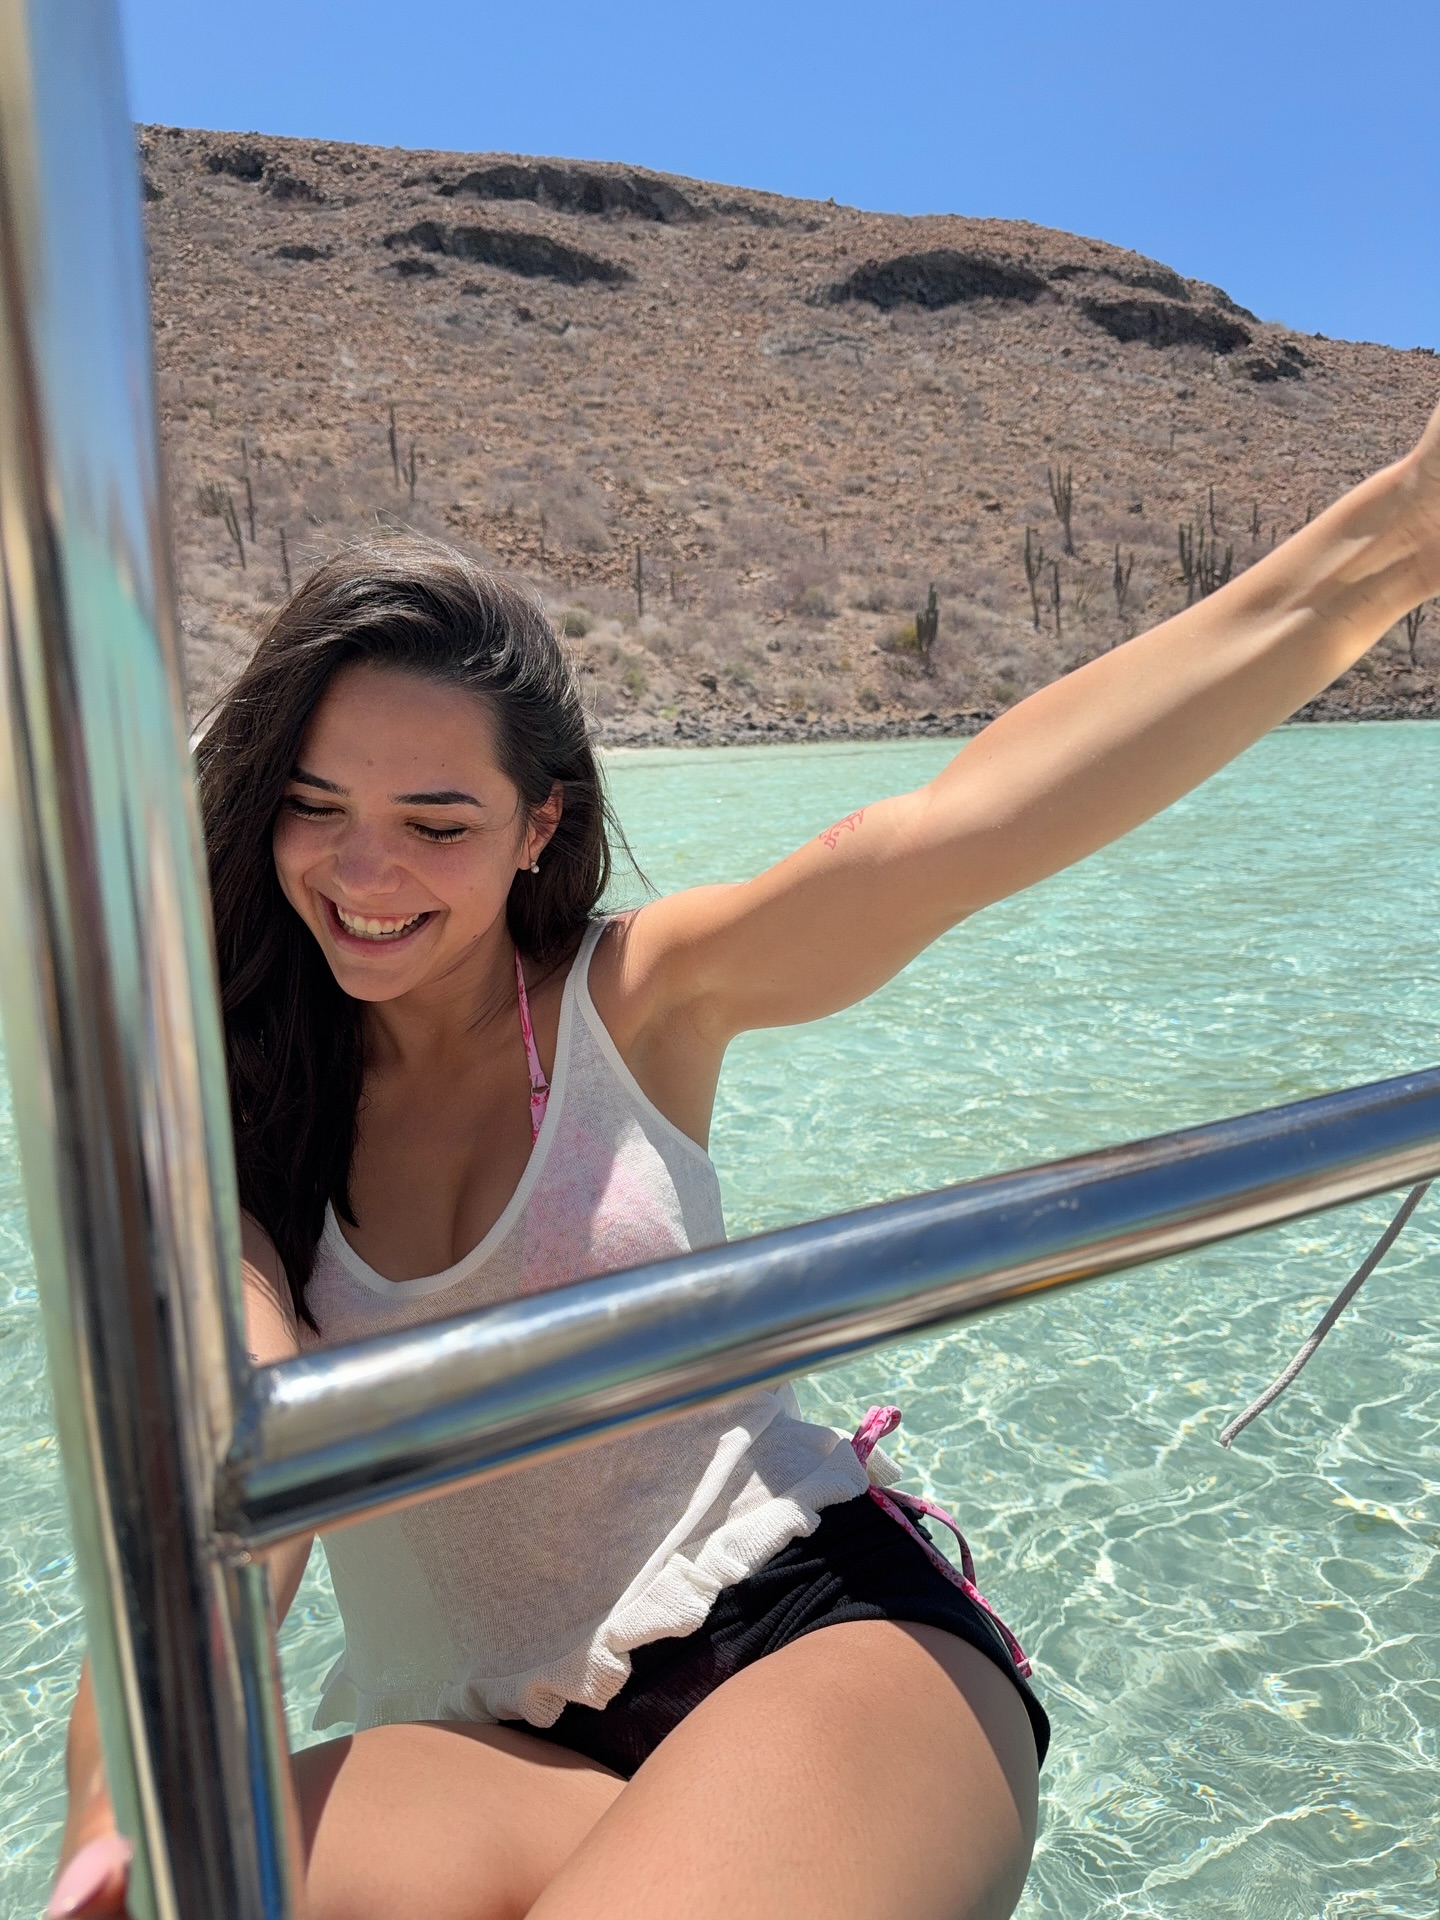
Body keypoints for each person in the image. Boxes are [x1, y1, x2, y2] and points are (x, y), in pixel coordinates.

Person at [49, 397, 1440, 1920]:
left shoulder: (633, 1000)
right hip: (496, 1740)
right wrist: (117, 1798)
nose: (364, 871)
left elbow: (963, 828)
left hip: (804, 1643)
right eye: (316, 807)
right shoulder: (244, 1112)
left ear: (537, 827)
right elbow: (228, 1446)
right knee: (165, 1888)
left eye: (436, 823)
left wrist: (1396, 540)